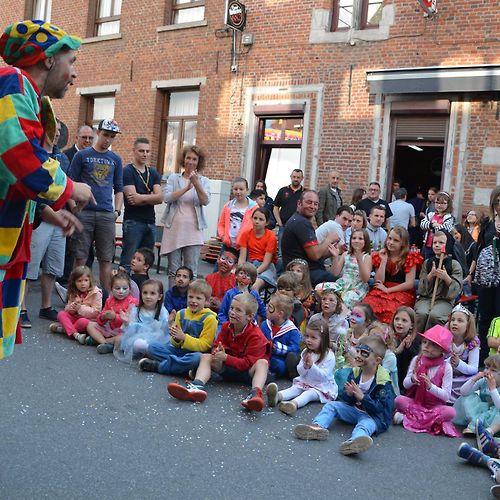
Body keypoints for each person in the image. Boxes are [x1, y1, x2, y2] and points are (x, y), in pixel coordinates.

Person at [0, 19, 94, 359]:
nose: (74, 74)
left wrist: (48, 213)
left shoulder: (27, 95)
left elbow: (8, 178)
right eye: (72, 61)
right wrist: (69, 188)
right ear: (48, 59)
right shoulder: (12, 83)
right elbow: (17, 152)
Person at [167, 292, 271, 412]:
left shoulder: (256, 335)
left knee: (262, 363)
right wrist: (217, 352)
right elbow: (216, 346)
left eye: (238, 310)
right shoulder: (226, 326)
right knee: (206, 356)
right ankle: (197, 385)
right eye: (231, 308)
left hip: (247, 373)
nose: (232, 312)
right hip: (228, 368)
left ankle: (255, 394)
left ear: (249, 316)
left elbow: (247, 364)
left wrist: (226, 357)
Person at [294, 335, 395, 456]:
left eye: (364, 353)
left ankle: (354, 442)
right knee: (331, 406)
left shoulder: (383, 382)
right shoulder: (355, 372)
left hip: (373, 417)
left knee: (364, 425)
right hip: (355, 410)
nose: (358, 355)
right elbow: (347, 399)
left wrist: (362, 397)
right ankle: (317, 427)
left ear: (377, 360)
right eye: (358, 351)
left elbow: (380, 409)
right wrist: (349, 395)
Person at [20, 119, 71, 327]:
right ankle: (20, 309)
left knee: (53, 267)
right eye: (53, 129)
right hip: (40, 217)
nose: (56, 134)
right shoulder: (36, 155)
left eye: (59, 131)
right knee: (29, 267)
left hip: (59, 218)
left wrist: (73, 204)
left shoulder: (62, 158)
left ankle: (46, 307)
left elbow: (65, 185)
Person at [69, 118, 124, 293]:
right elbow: (69, 183)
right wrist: (73, 208)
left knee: (106, 259)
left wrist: (117, 211)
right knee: (80, 258)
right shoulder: (82, 155)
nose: (108, 139)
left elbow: (119, 188)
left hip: (106, 214)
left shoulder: (115, 159)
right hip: (84, 212)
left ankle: (108, 301)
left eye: (112, 136)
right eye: (105, 134)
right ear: (98, 133)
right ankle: (76, 297)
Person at [137, 279, 217, 376]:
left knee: (197, 358)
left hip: (195, 354)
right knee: (152, 347)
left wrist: (184, 338)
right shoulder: (181, 313)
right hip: (179, 352)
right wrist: (176, 338)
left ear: (207, 301)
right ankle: (184, 368)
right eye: (190, 297)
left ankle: (159, 366)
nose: (193, 301)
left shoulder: (210, 318)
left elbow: (205, 345)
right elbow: (174, 344)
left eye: (198, 298)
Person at [393, 325, 459, 437]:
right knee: (399, 400)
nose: (426, 346)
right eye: (425, 342)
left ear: (441, 350)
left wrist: (430, 387)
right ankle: (430, 423)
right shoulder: (417, 360)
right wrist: (412, 380)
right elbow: (405, 384)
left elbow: (446, 396)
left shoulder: (446, 367)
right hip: (416, 403)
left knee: (450, 412)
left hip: (434, 407)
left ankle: (407, 418)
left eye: (433, 345)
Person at [160, 145, 210, 288]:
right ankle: (171, 303)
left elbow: (205, 201)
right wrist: (186, 188)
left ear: (198, 162)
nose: (191, 161)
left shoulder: (204, 181)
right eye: (188, 158)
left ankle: (190, 304)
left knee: (191, 272)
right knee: (173, 271)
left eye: (194, 159)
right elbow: (167, 197)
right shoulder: (174, 178)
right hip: (174, 230)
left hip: (194, 231)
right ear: (183, 159)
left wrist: (197, 184)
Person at [266, 318, 337, 415]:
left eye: (313, 338)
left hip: (321, 386)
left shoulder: (329, 355)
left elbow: (323, 376)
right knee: (294, 389)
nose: (308, 340)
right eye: (307, 336)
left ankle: (293, 404)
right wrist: (305, 366)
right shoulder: (306, 352)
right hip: (306, 381)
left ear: (323, 340)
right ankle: (277, 396)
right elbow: (300, 371)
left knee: (308, 394)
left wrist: (312, 366)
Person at [119, 138, 162, 273]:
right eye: (141, 151)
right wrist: (151, 198)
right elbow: (133, 199)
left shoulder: (153, 173)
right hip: (133, 221)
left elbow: (160, 198)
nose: (145, 154)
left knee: (145, 263)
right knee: (128, 261)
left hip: (150, 222)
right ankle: (122, 291)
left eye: (148, 151)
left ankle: (141, 290)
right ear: (134, 151)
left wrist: (141, 197)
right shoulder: (127, 171)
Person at [363, 227, 423, 323]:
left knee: (391, 311)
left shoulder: (409, 257)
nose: (390, 242)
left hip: (402, 291)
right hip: (382, 288)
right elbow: (379, 281)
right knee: (368, 306)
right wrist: (383, 261)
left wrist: (388, 290)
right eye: (389, 238)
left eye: (396, 240)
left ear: (403, 243)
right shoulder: (381, 254)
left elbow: (409, 283)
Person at [281, 190, 338, 286]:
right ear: (299, 203)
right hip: (302, 274)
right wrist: (329, 239)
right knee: (339, 283)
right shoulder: (301, 223)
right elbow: (315, 255)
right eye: (309, 202)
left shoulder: (299, 220)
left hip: (306, 269)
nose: (312, 206)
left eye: (316, 204)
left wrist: (334, 251)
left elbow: (313, 254)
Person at [414, 231, 463, 332]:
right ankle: (416, 341)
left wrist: (446, 277)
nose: (437, 245)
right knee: (422, 314)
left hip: (444, 300)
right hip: (426, 298)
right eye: (435, 242)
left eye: (441, 243)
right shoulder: (427, 263)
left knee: (435, 316)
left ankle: (434, 342)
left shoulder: (454, 265)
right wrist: (430, 276)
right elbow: (421, 288)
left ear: (448, 244)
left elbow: (457, 290)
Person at [115, 279, 169, 364]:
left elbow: (165, 331)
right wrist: (126, 322)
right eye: (145, 293)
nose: (148, 296)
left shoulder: (162, 311)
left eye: (152, 293)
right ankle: (150, 354)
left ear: (159, 296)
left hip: (156, 339)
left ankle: (150, 353)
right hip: (138, 338)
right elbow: (130, 331)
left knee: (164, 346)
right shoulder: (136, 310)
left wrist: (169, 322)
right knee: (137, 344)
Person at [475, 186, 500, 361]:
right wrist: (471, 273)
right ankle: (482, 356)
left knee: (498, 317)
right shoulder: (487, 223)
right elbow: (479, 247)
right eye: (497, 201)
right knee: (485, 315)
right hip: (486, 276)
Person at [86, 272, 138, 354]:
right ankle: (105, 343)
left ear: (130, 289)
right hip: (109, 329)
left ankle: (100, 341)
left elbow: (131, 323)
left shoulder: (133, 302)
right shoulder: (109, 300)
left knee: (122, 338)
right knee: (90, 325)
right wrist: (103, 317)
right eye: (117, 288)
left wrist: (115, 317)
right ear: (111, 289)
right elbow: (100, 319)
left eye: (125, 288)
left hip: (123, 331)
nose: (121, 291)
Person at [49, 265, 102, 344]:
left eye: (86, 280)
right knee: (61, 314)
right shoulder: (74, 292)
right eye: (79, 281)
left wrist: (80, 308)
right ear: (74, 282)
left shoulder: (96, 293)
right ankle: (76, 334)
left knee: (82, 321)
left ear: (90, 281)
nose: (83, 284)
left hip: (88, 320)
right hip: (75, 317)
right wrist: (72, 307)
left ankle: (64, 330)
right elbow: (67, 309)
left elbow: (96, 312)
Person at [323, 228, 372, 309]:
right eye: (354, 238)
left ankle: (342, 316)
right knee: (323, 291)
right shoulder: (346, 254)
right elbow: (335, 273)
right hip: (343, 284)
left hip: (356, 287)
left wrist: (359, 260)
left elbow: (365, 279)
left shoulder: (367, 257)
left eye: (360, 239)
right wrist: (335, 257)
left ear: (365, 241)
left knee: (345, 299)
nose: (356, 241)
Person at [454, 353, 500, 436]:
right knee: (467, 396)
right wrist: (475, 378)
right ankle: (474, 423)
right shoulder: (483, 381)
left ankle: (485, 430)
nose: (487, 372)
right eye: (486, 368)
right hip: (482, 410)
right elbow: (463, 392)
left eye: (493, 370)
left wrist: (493, 389)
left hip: (494, 415)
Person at [260, 294, 301, 378]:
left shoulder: (292, 330)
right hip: (263, 355)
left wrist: (279, 348)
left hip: (279, 358)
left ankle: (288, 372)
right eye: (267, 305)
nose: (266, 309)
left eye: (270, 307)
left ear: (280, 313)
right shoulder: (265, 324)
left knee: (279, 366)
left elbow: (295, 348)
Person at [237, 208, 278, 292]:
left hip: (266, 268)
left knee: (254, 286)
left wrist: (253, 274)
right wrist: (240, 271)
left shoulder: (271, 237)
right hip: (249, 264)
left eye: (261, 219)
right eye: (255, 218)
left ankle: (254, 305)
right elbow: (242, 258)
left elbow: (266, 263)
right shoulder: (245, 234)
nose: (257, 221)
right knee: (233, 278)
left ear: (266, 222)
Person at [446, 304, 480, 402]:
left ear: (468, 325)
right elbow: (438, 363)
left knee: (474, 380)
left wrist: (459, 364)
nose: (454, 323)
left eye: (460, 321)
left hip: (463, 378)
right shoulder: (444, 338)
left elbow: (474, 369)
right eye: (452, 320)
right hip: (446, 375)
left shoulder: (472, 342)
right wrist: (449, 361)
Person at [309, 289, 349, 363]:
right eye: (324, 299)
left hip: (332, 357)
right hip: (313, 352)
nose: (326, 302)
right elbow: (307, 337)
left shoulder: (342, 323)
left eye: (331, 300)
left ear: (337, 304)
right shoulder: (314, 318)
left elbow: (343, 348)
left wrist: (327, 343)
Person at [273, 169, 305, 255]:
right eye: (294, 177)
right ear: (290, 177)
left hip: (299, 228)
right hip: (284, 226)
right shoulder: (283, 191)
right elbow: (275, 207)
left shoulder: (305, 193)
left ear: (302, 178)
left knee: (296, 252)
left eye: (298, 177)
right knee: (281, 253)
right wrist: (279, 222)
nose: (296, 179)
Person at [390, 306, 419, 391]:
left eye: (404, 320)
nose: (399, 323)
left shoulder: (415, 341)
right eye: (397, 319)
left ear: (411, 325)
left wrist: (408, 347)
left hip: (405, 379)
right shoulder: (389, 337)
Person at [420, 190, 455, 260]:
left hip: (441, 247)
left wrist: (435, 226)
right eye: (437, 203)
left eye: (442, 203)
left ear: (448, 204)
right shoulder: (431, 214)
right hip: (429, 245)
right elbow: (422, 224)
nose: (439, 205)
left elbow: (444, 229)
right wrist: (432, 225)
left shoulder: (449, 217)